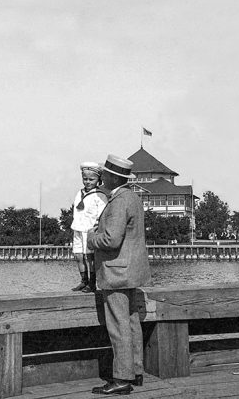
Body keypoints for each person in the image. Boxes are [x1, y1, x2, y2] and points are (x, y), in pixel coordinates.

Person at [87, 154, 151, 395]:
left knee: (118, 326)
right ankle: (135, 371)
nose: (102, 177)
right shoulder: (132, 198)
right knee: (132, 321)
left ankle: (121, 379)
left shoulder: (118, 201)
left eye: (105, 174)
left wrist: (91, 238)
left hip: (116, 272)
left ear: (114, 177)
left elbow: (111, 240)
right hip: (131, 271)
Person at [70, 161, 108, 293]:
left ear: (98, 179)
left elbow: (102, 216)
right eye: (85, 179)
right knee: (78, 256)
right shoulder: (78, 193)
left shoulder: (100, 196)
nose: (87, 182)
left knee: (89, 257)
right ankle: (83, 280)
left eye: (91, 179)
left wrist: (96, 230)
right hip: (78, 229)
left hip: (90, 230)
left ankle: (92, 283)